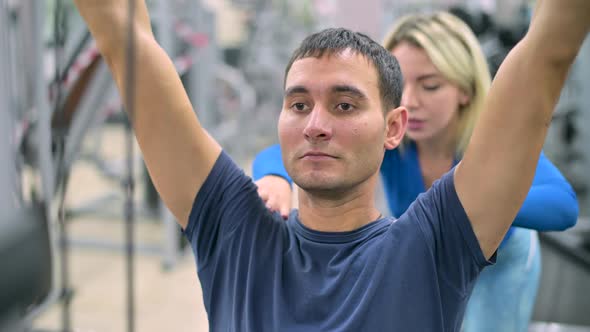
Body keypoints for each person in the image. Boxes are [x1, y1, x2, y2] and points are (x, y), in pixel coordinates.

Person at [72, 0, 590, 330]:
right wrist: (271, 175)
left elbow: (548, 51)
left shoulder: (432, 243)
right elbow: (124, 40)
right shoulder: (234, 228)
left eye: (344, 105)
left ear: (393, 128)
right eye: (298, 105)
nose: (314, 124)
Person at [251, 11, 579, 332]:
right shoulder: (395, 142)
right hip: (431, 259)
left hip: (499, 266)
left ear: (465, 90)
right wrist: (275, 179)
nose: (410, 100)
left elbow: (563, 206)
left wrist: (470, 206)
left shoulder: (487, 150)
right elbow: (279, 154)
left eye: (430, 86)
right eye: (400, 87)